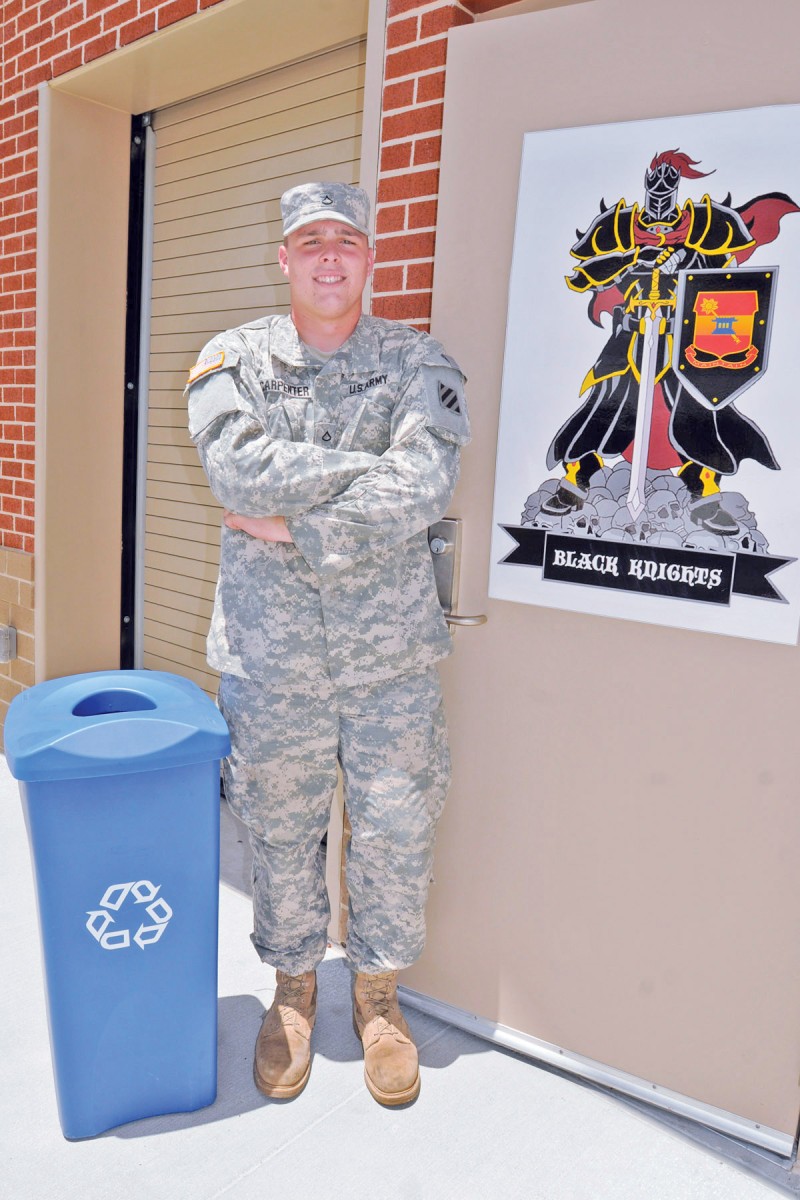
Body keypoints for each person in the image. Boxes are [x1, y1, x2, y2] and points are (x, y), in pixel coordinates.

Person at [186, 182, 469, 1106]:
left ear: (369, 258)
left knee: (393, 830)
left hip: (389, 664)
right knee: (279, 829)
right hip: (273, 661)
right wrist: (366, 476)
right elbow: (235, 467)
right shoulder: (233, 359)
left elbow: (426, 484)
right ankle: (295, 990)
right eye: (312, 242)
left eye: (346, 240)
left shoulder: (417, 359)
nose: (330, 257)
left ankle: (378, 997)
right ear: (285, 258)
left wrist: (291, 524)